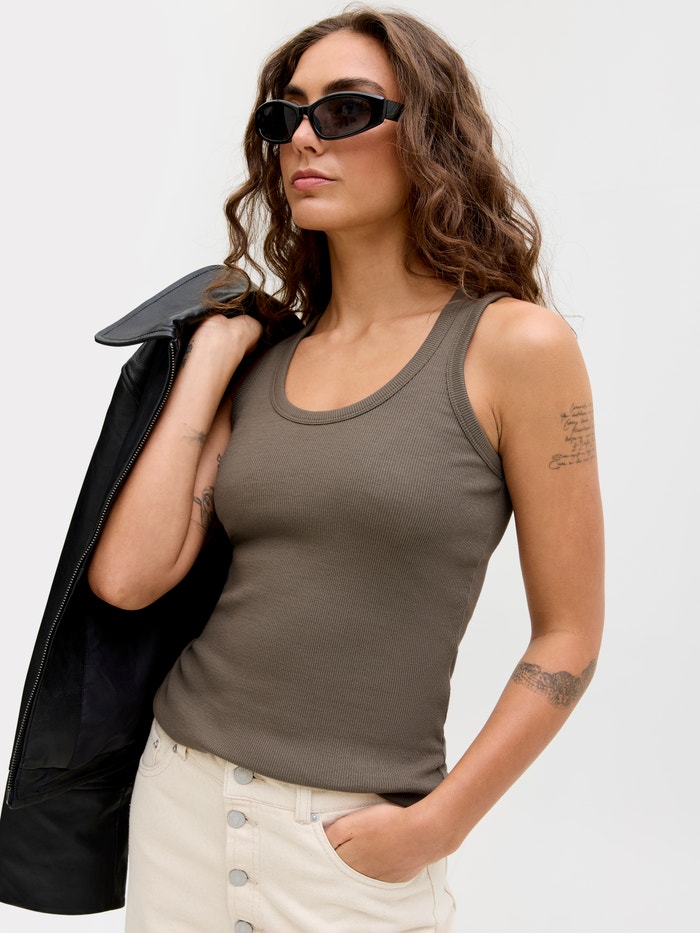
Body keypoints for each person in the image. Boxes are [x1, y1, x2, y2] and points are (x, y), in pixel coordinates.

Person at [8, 5, 604, 930]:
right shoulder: (264, 358)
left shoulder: (515, 347)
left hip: (350, 843)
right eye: (284, 115)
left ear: (431, 134)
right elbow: (126, 578)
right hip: (180, 802)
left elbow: (568, 633)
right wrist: (210, 362)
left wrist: (438, 824)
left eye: (345, 109)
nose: (302, 139)